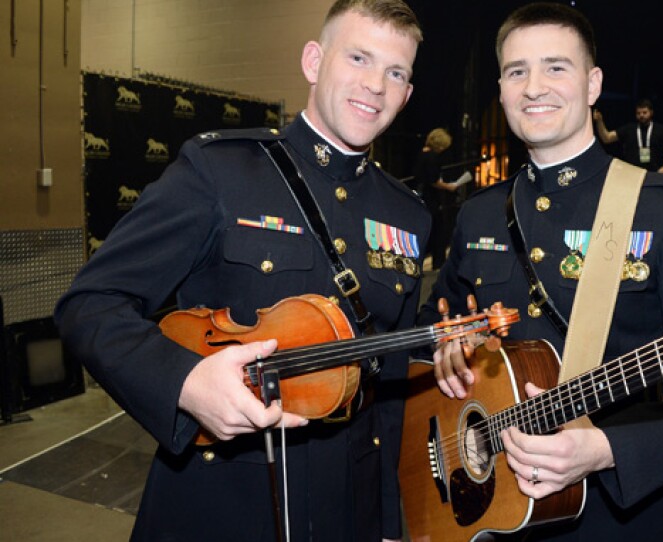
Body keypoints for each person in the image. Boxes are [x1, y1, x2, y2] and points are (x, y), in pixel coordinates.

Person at [54, 1, 429, 541]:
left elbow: (388, 383)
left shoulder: (406, 214)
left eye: (396, 72)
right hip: (225, 502)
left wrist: (390, 524)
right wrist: (184, 383)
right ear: (313, 61)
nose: (375, 84)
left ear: (408, 94)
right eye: (359, 58)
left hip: (350, 507)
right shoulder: (221, 171)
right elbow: (89, 304)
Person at [419, 3, 663, 540]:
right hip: (483, 505)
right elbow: (435, 322)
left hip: (616, 518)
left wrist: (607, 449)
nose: (534, 87)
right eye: (516, 71)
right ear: (502, 88)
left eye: (556, 67)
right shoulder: (480, 212)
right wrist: (443, 350)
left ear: (593, 84)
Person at [412, 128, 457, 269]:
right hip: (431, 199)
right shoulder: (432, 157)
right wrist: (449, 187)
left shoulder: (421, 153)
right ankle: (438, 263)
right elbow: (433, 180)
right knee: (438, 232)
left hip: (421, 198)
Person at [594, 98, 663, 174]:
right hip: (632, 173)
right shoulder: (629, 129)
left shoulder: (661, 130)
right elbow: (607, 138)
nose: (641, 115)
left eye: (644, 112)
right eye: (638, 113)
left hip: (654, 173)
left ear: (651, 112)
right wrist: (599, 121)